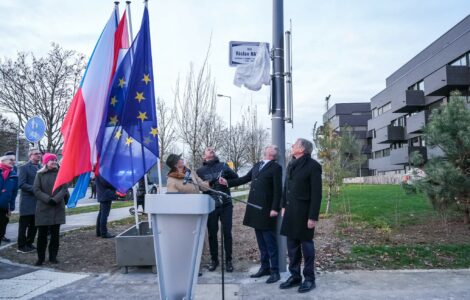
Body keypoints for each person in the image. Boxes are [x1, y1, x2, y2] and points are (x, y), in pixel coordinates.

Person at [219, 145, 282, 283]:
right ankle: (265, 268)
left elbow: (278, 190)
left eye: (273, 147)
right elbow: (245, 178)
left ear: (273, 153)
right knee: (261, 241)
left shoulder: (276, 167)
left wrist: (275, 208)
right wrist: (227, 183)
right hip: (254, 207)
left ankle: (275, 271)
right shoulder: (258, 164)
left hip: (266, 209)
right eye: (270, 146)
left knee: (270, 242)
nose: (270, 147)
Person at [279, 138, 322, 293]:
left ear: (302, 149)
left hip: (304, 213)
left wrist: (313, 217)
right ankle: (295, 276)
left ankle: (309, 278)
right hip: (290, 212)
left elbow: (317, 194)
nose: (292, 146)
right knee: (292, 246)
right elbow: (286, 187)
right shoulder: (291, 164)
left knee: (307, 246)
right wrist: (283, 206)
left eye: (295, 144)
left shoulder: (313, 166)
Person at [196, 147, 238, 272]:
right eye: (208, 150)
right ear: (204, 156)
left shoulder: (224, 166)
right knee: (212, 234)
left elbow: (236, 178)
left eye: (212, 149)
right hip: (210, 205)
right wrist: (208, 183)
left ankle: (229, 261)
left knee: (227, 233)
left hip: (226, 204)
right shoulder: (200, 171)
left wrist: (227, 182)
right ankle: (214, 260)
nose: (211, 149)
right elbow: (198, 187)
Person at [33, 153, 68, 266]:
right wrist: (48, 199)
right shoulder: (39, 175)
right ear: (45, 162)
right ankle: (40, 258)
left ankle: (53, 257)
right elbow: (36, 190)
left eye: (54, 160)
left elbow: (64, 189)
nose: (53, 162)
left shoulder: (61, 173)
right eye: (51, 160)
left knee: (55, 235)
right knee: (42, 235)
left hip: (57, 208)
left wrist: (55, 199)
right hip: (43, 208)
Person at [17, 149, 42, 253]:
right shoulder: (24, 168)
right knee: (23, 225)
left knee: (34, 225)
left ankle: (29, 243)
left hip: (38, 202)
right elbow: (21, 184)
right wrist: (35, 189)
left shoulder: (42, 168)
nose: (38, 155)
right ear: (30, 156)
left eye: (39, 154)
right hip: (27, 201)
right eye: (36, 154)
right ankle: (21, 246)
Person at [0, 153, 18, 246]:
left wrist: (11, 207)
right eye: (10, 160)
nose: (12, 162)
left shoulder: (14, 175)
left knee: (3, 224)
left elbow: (14, 193)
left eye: (13, 160)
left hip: (4, 206)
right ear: (2, 161)